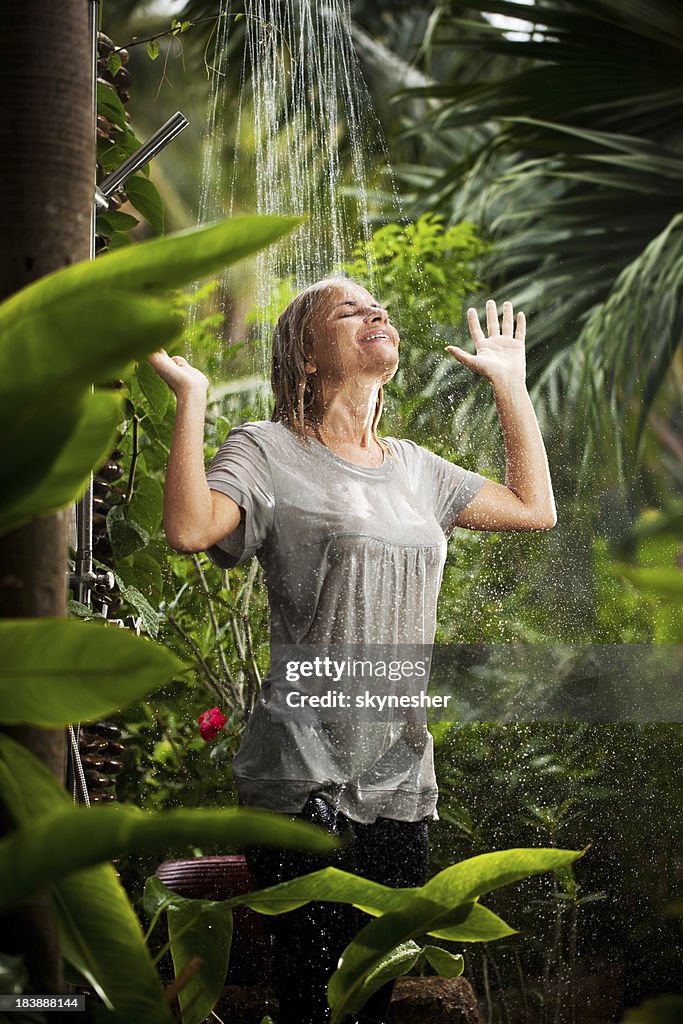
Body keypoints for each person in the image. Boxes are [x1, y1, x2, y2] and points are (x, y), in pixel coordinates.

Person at [146, 278, 556, 1024]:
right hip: (299, 775)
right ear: (306, 353)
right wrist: (191, 399)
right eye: (349, 310)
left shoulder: (417, 469)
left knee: (370, 999)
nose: (376, 312)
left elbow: (533, 510)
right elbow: (190, 528)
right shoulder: (267, 450)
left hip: (398, 775)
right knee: (311, 1000)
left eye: (379, 306)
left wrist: (509, 385)